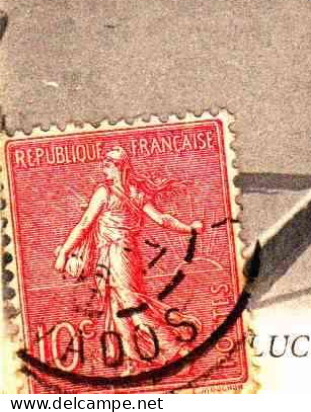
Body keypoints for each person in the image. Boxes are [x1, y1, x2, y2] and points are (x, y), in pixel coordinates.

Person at [53, 147, 203, 373]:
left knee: (132, 306)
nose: (104, 167)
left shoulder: (105, 192)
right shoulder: (135, 193)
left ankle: (177, 352)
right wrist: (189, 228)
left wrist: (65, 252)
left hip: (116, 255)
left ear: (119, 166)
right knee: (116, 307)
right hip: (122, 254)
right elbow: (162, 219)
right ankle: (134, 362)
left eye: (108, 164)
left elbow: (85, 224)